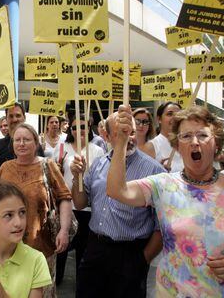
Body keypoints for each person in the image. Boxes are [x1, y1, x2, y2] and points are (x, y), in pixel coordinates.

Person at [107, 105, 224, 297]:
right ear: (177, 145)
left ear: (216, 142)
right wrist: (121, 143)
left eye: (203, 135)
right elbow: (117, 191)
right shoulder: (163, 185)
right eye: (186, 136)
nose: (195, 142)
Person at [70, 110, 165, 297]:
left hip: (130, 254)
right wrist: (77, 178)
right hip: (95, 250)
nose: (127, 138)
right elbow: (80, 203)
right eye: (120, 132)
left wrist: (142, 259)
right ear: (106, 135)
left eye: (130, 132)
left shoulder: (154, 171)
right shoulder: (98, 165)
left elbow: (161, 226)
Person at [0, 123, 72, 297]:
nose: (21, 143)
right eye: (17, 140)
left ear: (36, 143)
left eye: (26, 139)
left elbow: (65, 198)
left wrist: (64, 230)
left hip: (41, 247)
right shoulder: (4, 168)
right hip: (9, 248)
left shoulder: (48, 165)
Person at [53, 114, 104, 284]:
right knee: (61, 247)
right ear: (70, 129)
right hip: (65, 205)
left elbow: (100, 179)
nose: (79, 130)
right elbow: (53, 173)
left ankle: (80, 285)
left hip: (86, 207)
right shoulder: (62, 147)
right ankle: (57, 280)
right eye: (75, 127)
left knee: (83, 249)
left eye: (83, 126)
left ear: (89, 127)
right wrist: (58, 169)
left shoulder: (96, 150)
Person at [0, 103, 44, 175]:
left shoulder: (34, 144)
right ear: (6, 119)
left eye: (18, 115)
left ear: (24, 117)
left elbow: (43, 170)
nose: (14, 119)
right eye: (11, 116)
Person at [143, 102, 184, 172]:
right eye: (169, 114)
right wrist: (157, 171)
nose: (174, 118)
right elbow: (143, 176)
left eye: (178, 115)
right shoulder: (151, 146)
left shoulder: (187, 143)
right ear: (159, 119)